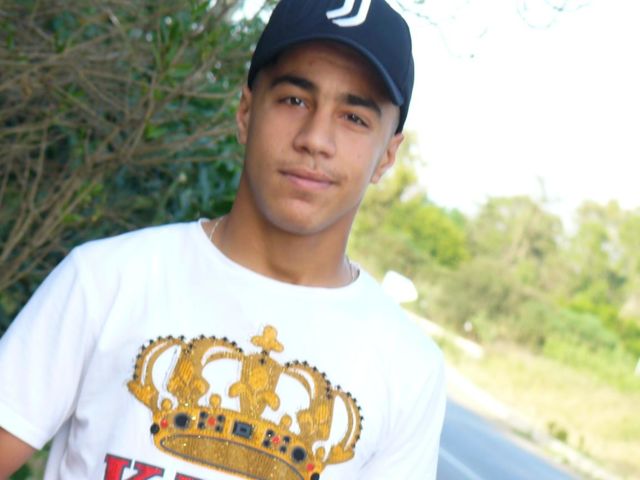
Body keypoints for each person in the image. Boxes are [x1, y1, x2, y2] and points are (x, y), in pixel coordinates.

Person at [0, 0, 446, 478]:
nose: (316, 138)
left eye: (354, 117)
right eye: (294, 100)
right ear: (246, 112)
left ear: (388, 155)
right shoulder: (106, 281)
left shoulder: (408, 368)